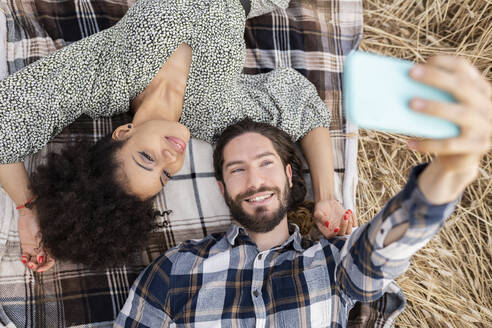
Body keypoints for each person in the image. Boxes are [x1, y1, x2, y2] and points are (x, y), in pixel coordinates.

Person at [114, 56, 491, 327]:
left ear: (290, 176)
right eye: (237, 169)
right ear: (221, 187)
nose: (255, 180)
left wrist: (451, 172)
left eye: (265, 163)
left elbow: (384, 248)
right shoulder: (176, 268)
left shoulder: (331, 262)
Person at [0, 0, 354, 272]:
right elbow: (302, 104)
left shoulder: (103, 76)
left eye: (146, 158)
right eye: (165, 175)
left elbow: (5, 122)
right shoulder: (217, 114)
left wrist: (28, 206)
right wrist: (326, 197)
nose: (171, 158)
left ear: (124, 132)